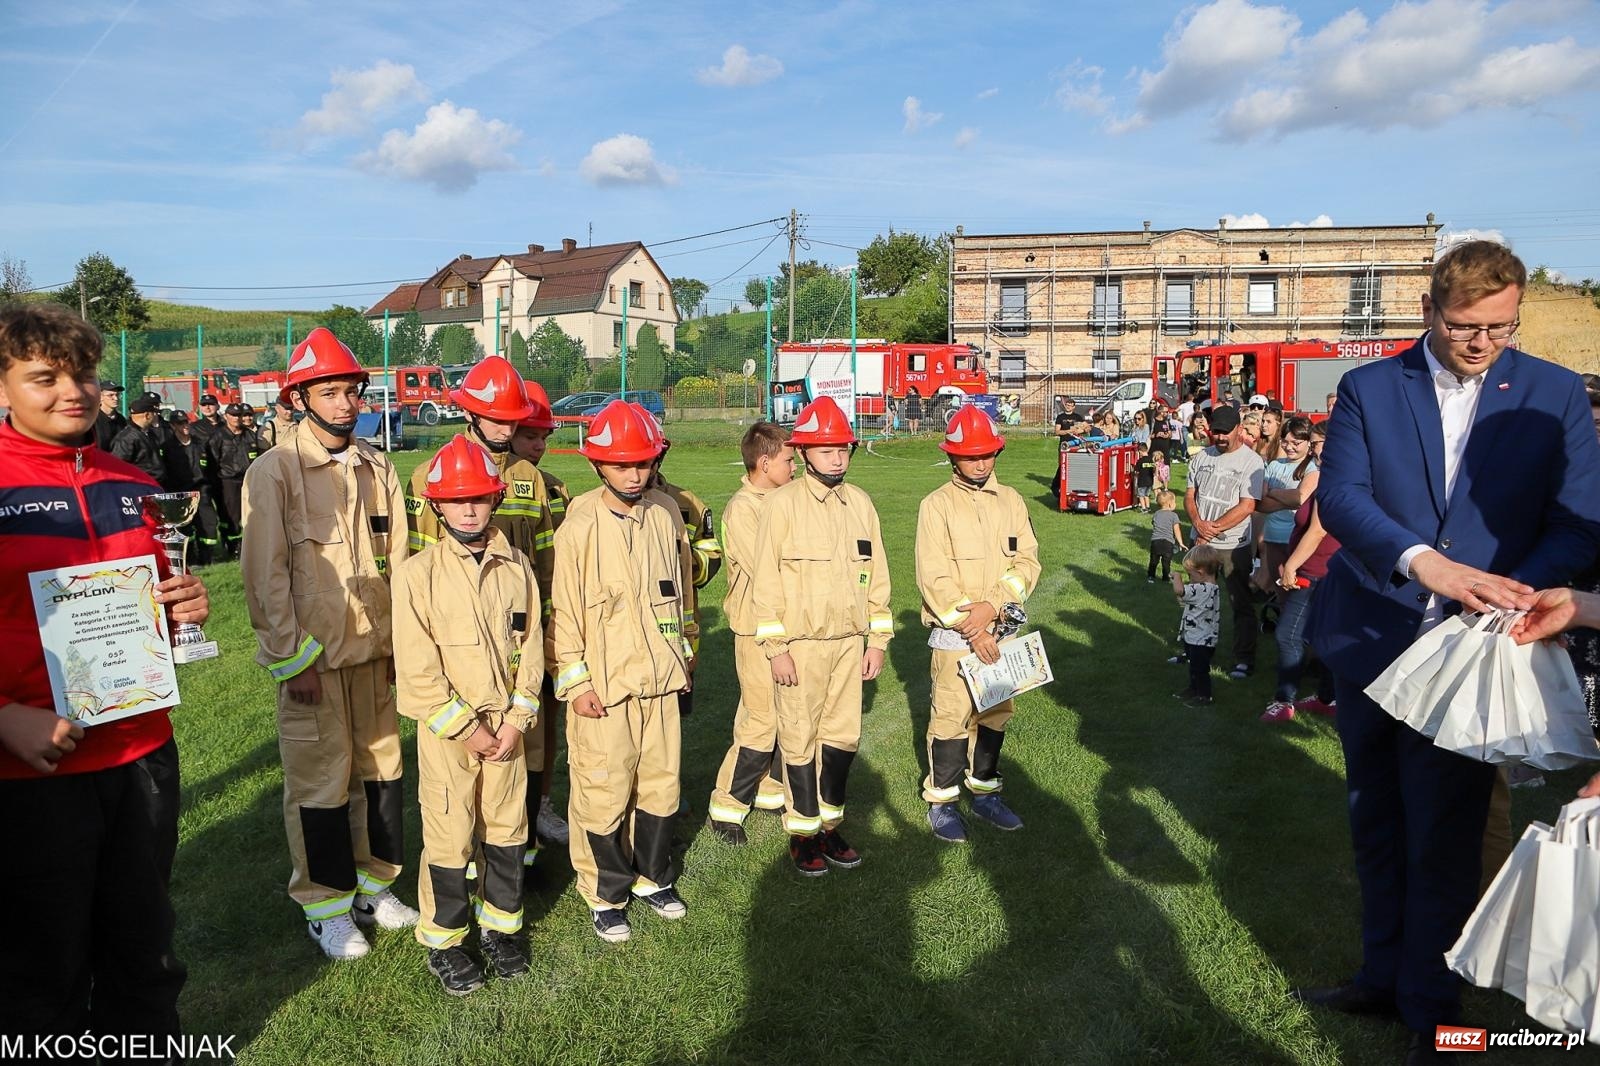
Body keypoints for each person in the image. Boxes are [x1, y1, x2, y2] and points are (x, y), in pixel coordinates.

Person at [1297, 240, 1600, 1060]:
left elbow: (1577, 521)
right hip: (1373, 640)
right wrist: (1426, 564)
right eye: (1467, 326)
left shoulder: (1553, 393)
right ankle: (1380, 974)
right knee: (1375, 821)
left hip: (1477, 652)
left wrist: (1507, 590)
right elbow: (1346, 498)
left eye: (1501, 328)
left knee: (1449, 832)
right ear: (1431, 309)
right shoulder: (1367, 387)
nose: (1483, 344)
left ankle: (1433, 1005)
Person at [0, 302, 210, 1045]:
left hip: (141, 756)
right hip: (30, 777)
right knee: (39, 974)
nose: (73, 391)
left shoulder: (131, 482)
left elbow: (160, 590)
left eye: (85, 374)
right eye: (44, 376)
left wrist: (184, 603)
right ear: (4, 386)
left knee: (145, 955)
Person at [240, 326, 418, 961]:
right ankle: (327, 907)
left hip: (375, 652)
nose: (345, 404)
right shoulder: (275, 471)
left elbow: (399, 558)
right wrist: (293, 659)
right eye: (330, 392)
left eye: (352, 391)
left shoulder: (377, 466)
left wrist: (404, 645)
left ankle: (376, 887)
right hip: (314, 661)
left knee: (383, 776)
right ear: (299, 398)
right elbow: (265, 574)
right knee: (320, 785)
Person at [392, 435, 544, 995]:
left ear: (495, 499)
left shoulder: (517, 566)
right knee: (450, 836)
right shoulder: (416, 576)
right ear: (436, 506)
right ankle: (447, 939)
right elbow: (417, 669)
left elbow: (530, 650)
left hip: (507, 729)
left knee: (507, 831)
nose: (470, 509)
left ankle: (501, 929)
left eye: (480, 498)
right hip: (450, 733)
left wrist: (515, 720)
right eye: (458, 501)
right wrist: (469, 728)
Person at [406, 356, 567, 862]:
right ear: (470, 415)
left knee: (528, 745)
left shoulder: (529, 478)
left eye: (513, 420)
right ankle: (468, 859)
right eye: (495, 418)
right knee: (460, 762)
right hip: (459, 646)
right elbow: (423, 567)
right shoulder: (429, 475)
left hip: (522, 638)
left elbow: (546, 560)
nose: (505, 428)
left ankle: (521, 848)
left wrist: (549, 629)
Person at [549, 400, 694, 943]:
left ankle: (652, 877)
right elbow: (562, 612)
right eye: (621, 464)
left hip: (659, 681)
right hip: (604, 691)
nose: (634, 474)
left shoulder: (665, 513)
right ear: (597, 466)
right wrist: (577, 683)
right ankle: (605, 891)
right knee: (603, 790)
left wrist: (686, 657)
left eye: (643, 463)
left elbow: (679, 596)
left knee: (660, 785)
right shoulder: (579, 524)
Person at [753, 395, 892, 876]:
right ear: (806, 452)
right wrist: (776, 649)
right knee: (798, 739)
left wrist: (877, 641)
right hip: (801, 648)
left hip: (849, 646)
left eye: (844, 448)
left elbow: (877, 577)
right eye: (826, 449)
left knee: (841, 739)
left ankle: (830, 826)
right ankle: (803, 833)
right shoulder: (782, 506)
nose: (838, 457)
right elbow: (765, 582)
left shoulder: (861, 505)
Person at [915, 406, 1039, 842]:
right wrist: (976, 628)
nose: (981, 463)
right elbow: (934, 578)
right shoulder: (936, 507)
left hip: (1001, 633)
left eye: (988, 454)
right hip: (957, 638)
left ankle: (986, 793)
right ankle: (943, 802)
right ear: (952, 458)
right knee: (950, 718)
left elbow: (1027, 561)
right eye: (971, 456)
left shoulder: (1012, 501)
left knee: (996, 713)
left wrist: (995, 605)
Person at [706, 422, 796, 843]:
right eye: (788, 460)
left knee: (786, 716)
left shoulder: (785, 499)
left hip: (788, 625)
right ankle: (727, 805)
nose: (794, 466)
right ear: (764, 463)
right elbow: (768, 569)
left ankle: (769, 789)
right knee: (759, 719)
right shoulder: (744, 508)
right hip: (755, 627)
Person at [508, 381, 574, 853]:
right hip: (497, 629)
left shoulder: (553, 487)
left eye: (544, 436)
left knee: (545, 721)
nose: (539, 444)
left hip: (542, 624)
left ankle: (542, 803)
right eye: (530, 434)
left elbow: (558, 562)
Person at [1184, 404, 1264, 682]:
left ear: (1239, 430)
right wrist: (1198, 525)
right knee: (1197, 600)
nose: (1218, 437)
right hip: (1201, 542)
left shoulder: (1251, 462)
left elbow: (1247, 505)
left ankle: (1243, 659)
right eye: (1214, 432)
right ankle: (1193, 649)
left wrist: (1211, 529)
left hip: (1232, 544)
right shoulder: (1201, 457)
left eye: (1224, 432)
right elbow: (1189, 495)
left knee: (1238, 603)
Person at [1262, 426, 1336, 723]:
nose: (1313, 449)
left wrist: (1291, 565)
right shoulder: (1331, 476)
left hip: (1318, 571)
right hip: (1321, 569)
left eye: (1315, 443)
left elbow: (1318, 530)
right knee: (1324, 637)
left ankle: (1284, 701)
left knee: (1287, 634)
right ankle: (1328, 698)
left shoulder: (1330, 480)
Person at [206, 402, 264, 559]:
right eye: (233, 415)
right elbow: (212, 462)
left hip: (248, 480)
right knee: (231, 516)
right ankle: (234, 547)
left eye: (239, 415)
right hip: (228, 482)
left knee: (252, 513)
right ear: (226, 416)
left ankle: (252, 545)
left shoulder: (249, 435)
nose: (237, 418)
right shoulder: (218, 436)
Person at [1171, 546, 1225, 707]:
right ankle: (1193, 689)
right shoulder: (1212, 588)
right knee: (1194, 666)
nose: (1189, 578)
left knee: (1200, 669)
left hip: (1200, 640)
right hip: (1198, 637)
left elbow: (1179, 591)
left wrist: (1176, 576)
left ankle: (1204, 696)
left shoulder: (1202, 588)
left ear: (1200, 572)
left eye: (1190, 574)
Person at [166, 410, 221, 566]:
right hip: (180, 492)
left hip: (201, 490)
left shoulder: (199, 443)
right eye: (180, 423)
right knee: (185, 528)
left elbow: (211, 465)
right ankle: (189, 559)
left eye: (186, 422)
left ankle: (207, 559)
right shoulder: (168, 447)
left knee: (209, 524)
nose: (184, 426)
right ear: (173, 426)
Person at [110, 394, 166, 484]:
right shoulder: (126, 438)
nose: (155, 415)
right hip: (140, 486)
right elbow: (117, 467)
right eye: (154, 413)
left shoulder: (150, 433)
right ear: (147, 415)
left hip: (155, 484)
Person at [1148, 489, 1187, 583]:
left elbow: (1153, 523)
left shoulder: (1156, 514)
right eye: (1175, 502)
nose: (1175, 504)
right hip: (1168, 543)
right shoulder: (1174, 515)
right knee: (1166, 562)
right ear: (1170, 504)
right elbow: (1176, 530)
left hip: (1155, 541)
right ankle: (1165, 578)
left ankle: (1151, 577)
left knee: (1153, 560)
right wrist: (1181, 543)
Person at [93, 378, 127, 451]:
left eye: (117, 395)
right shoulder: (93, 420)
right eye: (110, 395)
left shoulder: (122, 420)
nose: (116, 398)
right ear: (100, 397)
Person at [1133, 441, 1157, 512]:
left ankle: (1143, 508)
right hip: (1150, 481)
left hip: (1142, 481)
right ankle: (1148, 507)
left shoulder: (1140, 461)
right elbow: (1153, 470)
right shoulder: (1151, 460)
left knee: (1141, 495)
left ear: (1140, 451)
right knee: (1147, 495)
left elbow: (1136, 471)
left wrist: (1135, 473)